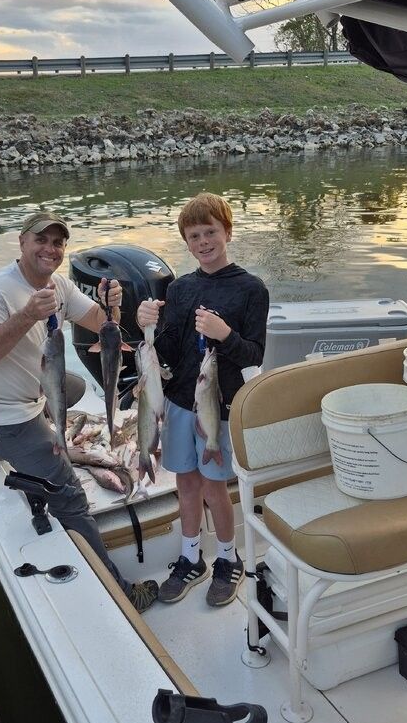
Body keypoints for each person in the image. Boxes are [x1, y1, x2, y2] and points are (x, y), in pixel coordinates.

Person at [0, 210, 158, 613]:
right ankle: (121, 593)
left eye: (58, 242)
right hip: (1, 413)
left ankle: (23, 449)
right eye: (41, 240)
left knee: (76, 386)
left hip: (31, 397)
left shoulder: (60, 285)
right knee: (70, 495)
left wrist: (113, 307)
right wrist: (27, 316)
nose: (50, 249)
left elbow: (102, 324)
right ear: (21, 242)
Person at [136, 193, 269, 608]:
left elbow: (254, 354)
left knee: (215, 487)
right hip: (178, 402)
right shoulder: (180, 288)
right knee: (186, 485)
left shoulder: (251, 289)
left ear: (227, 232)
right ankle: (191, 558)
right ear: (187, 243)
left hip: (219, 406)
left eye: (211, 232)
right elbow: (171, 350)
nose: (204, 242)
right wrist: (149, 324)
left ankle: (228, 559)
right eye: (194, 236)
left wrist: (223, 333)